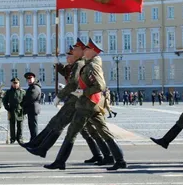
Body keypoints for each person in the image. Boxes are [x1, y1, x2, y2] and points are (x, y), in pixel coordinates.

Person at [44, 38, 127, 171]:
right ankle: (120, 160)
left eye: (87, 49)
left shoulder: (92, 66)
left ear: (93, 51)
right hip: (91, 104)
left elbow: (100, 85)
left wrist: (82, 92)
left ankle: (60, 161)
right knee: (103, 132)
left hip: (87, 104)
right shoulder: (89, 64)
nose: (85, 50)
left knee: (72, 132)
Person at [3, 77, 25, 143]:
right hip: (12, 110)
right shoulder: (9, 92)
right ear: (12, 84)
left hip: (20, 111)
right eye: (14, 83)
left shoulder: (22, 92)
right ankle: (12, 138)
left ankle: (19, 138)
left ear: (19, 83)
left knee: (20, 126)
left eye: (16, 83)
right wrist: (7, 108)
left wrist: (24, 108)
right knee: (12, 126)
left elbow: (25, 101)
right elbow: (4, 101)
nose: (15, 84)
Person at [22, 72, 41, 141]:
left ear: (34, 78)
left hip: (33, 108)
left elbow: (30, 98)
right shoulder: (33, 86)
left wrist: (23, 104)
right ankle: (33, 139)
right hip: (32, 109)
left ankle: (34, 140)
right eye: (28, 79)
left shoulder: (34, 87)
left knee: (33, 126)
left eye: (30, 78)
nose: (29, 80)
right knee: (32, 125)